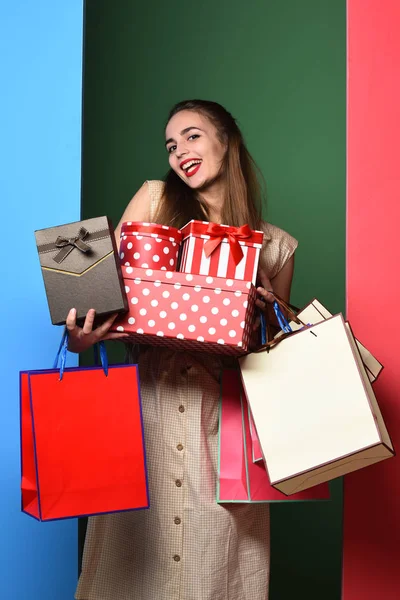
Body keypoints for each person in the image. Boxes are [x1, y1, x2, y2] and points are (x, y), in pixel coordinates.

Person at [72, 100, 298, 600]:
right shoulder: (154, 202)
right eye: (171, 145)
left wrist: (266, 316)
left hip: (225, 434)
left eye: (192, 137)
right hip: (146, 420)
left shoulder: (275, 247)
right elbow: (91, 304)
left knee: (216, 574)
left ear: (227, 142)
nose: (179, 152)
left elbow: (279, 364)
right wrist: (80, 335)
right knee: (129, 572)